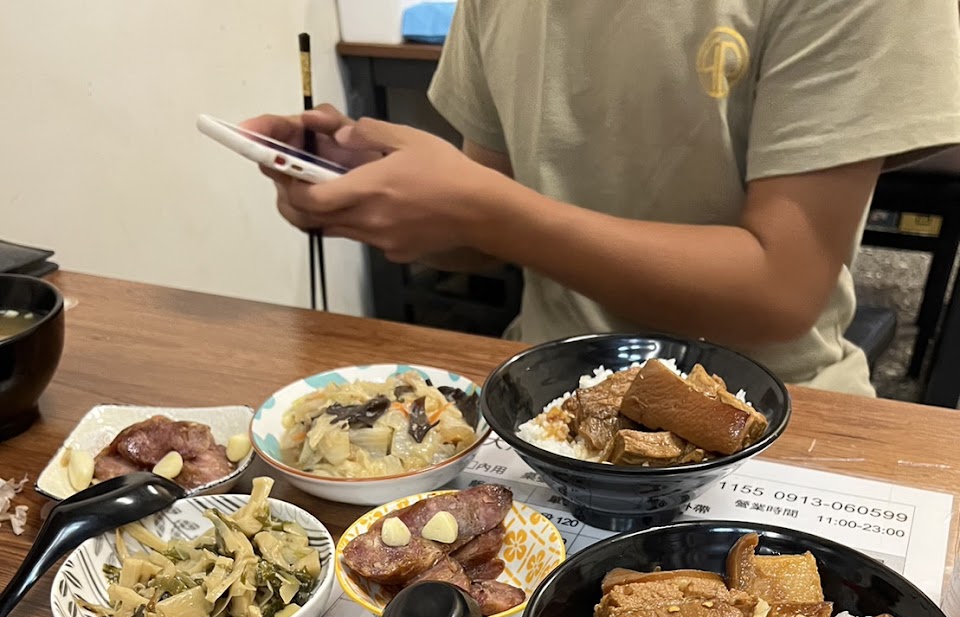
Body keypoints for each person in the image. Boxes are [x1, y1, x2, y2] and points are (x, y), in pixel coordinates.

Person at [246, 0, 960, 396]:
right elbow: (486, 229)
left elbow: (781, 290)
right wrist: (377, 187)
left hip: (763, 402)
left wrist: (480, 208)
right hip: (540, 388)